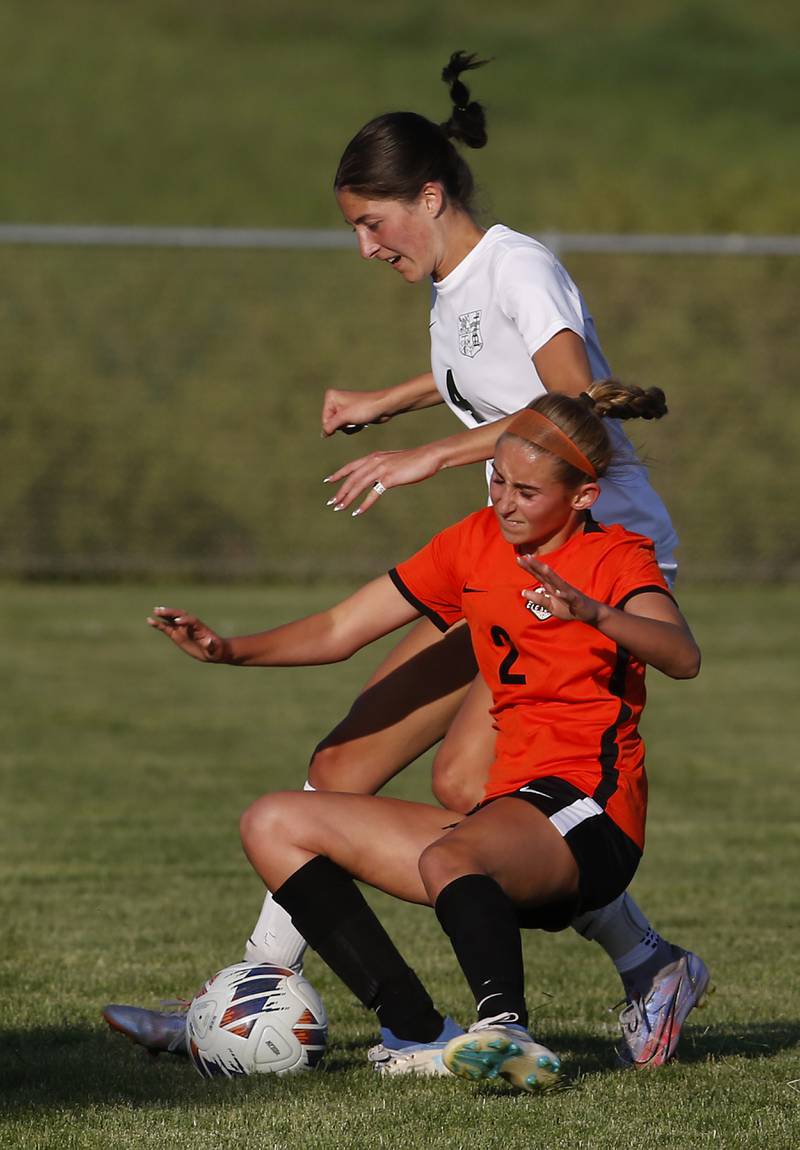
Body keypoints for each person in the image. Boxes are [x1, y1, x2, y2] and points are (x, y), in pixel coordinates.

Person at [103, 52, 709, 1068]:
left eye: (371, 222)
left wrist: (427, 453)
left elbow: (569, 399)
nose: (364, 245)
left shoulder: (516, 266)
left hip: (578, 557)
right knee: (340, 765)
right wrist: (385, 403)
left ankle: (621, 970)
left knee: (469, 776)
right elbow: (479, 373)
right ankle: (250, 992)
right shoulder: (453, 283)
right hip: (498, 558)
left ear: (429, 196)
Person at [111, 387, 705, 1089]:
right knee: (274, 821)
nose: (505, 502)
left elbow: (680, 654)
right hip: (508, 819)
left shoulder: (616, 559)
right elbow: (340, 628)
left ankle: (504, 1032)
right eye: (496, 481)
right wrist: (229, 649)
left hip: (590, 816)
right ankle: (415, 1033)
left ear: (583, 498)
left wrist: (596, 614)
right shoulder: (477, 542)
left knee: (456, 852)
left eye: (526, 491)